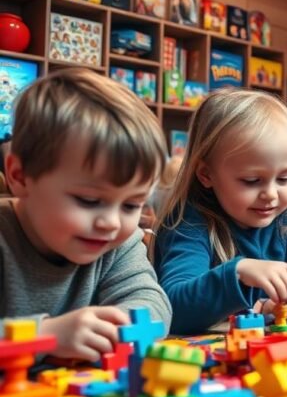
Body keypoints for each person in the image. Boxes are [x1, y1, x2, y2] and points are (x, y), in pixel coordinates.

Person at [0, 69, 172, 360]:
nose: (112, 222)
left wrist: (114, 327)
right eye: (89, 200)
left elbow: (152, 304)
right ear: (20, 176)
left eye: (131, 205)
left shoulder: (119, 242)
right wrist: (45, 336)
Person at [154, 90, 287, 334]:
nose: (271, 194)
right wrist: (239, 272)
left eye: (285, 178)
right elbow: (172, 308)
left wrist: (278, 303)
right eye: (252, 180)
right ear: (206, 174)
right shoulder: (188, 223)